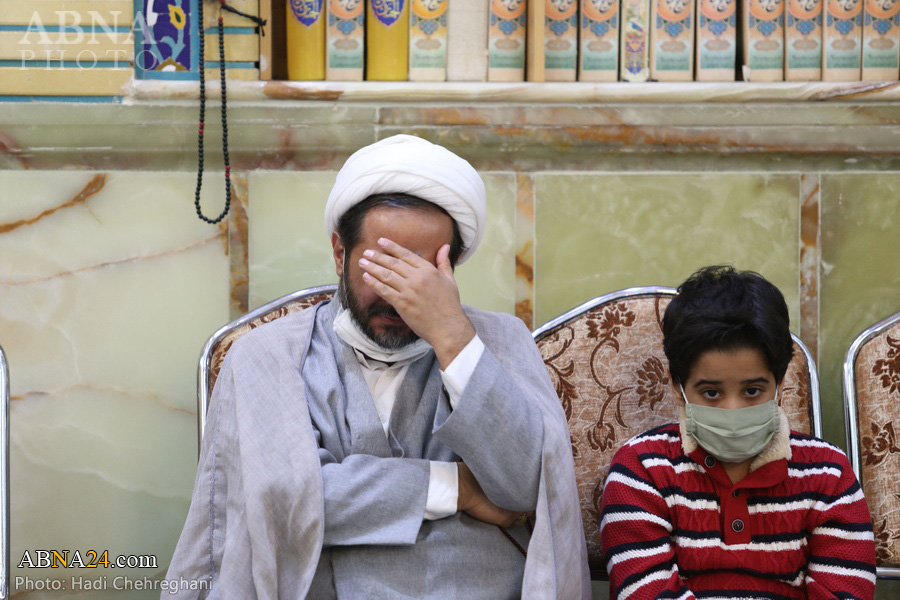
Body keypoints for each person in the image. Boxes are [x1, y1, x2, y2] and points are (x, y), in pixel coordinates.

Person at [164, 135, 589, 599]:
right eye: (383, 266)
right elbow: (284, 499)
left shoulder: (500, 340)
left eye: (420, 273)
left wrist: (453, 339)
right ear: (339, 252)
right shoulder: (267, 354)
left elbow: (525, 489)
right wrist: (457, 488)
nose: (397, 294)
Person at [599, 266, 876, 600]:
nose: (733, 410)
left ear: (780, 384)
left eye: (752, 391)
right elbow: (643, 591)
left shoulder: (829, 474)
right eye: (711, 393)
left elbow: (847, 591)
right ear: (677, 386)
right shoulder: (642, 470)